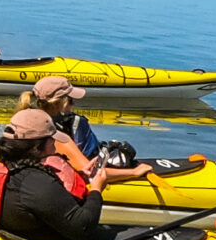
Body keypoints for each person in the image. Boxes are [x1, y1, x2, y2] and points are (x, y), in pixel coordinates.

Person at [0, 108, 122, 240]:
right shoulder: (35, 183)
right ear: (36, 147)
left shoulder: (6, 164)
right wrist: (96, 190)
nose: (56, 144)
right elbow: (82, 228)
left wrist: (80, 175)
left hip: (24, 232)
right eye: (52, 140)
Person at [18, 76, 152, 189]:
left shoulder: (22, 123)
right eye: (70, 101)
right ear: (56, 104)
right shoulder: (58, 138)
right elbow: (91, 174)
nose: (74, 104)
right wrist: (134, 172)